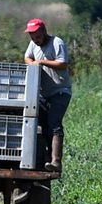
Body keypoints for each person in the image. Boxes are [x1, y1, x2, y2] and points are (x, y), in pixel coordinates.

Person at [23, 18, 71, 172]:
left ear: (44, 31)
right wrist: (32, 63)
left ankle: (56, 161)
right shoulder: (33, 44)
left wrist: (42, 62)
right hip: (44, 94)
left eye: (37, 36)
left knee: (54, 123)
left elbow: (62, 63)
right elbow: (27, 57)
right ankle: (46, 159)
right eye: (32, 37)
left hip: (60, 91)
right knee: (43, 126)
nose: (35, 40)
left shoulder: (57, 42)